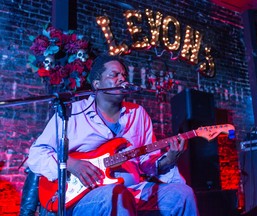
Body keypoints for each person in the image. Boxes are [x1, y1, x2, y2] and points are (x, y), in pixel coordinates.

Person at [27, 55, 199, 216]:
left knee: (182, 194)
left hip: (134, 191)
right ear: (97, 84)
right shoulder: (73, 113)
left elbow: (147, 164)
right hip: (85, 197)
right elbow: (36, 154)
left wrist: (169, 159)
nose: (122, 79)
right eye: (114, 75)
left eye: (123, 75)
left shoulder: (138, 114)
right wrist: (72, 164)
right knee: (117, 195)